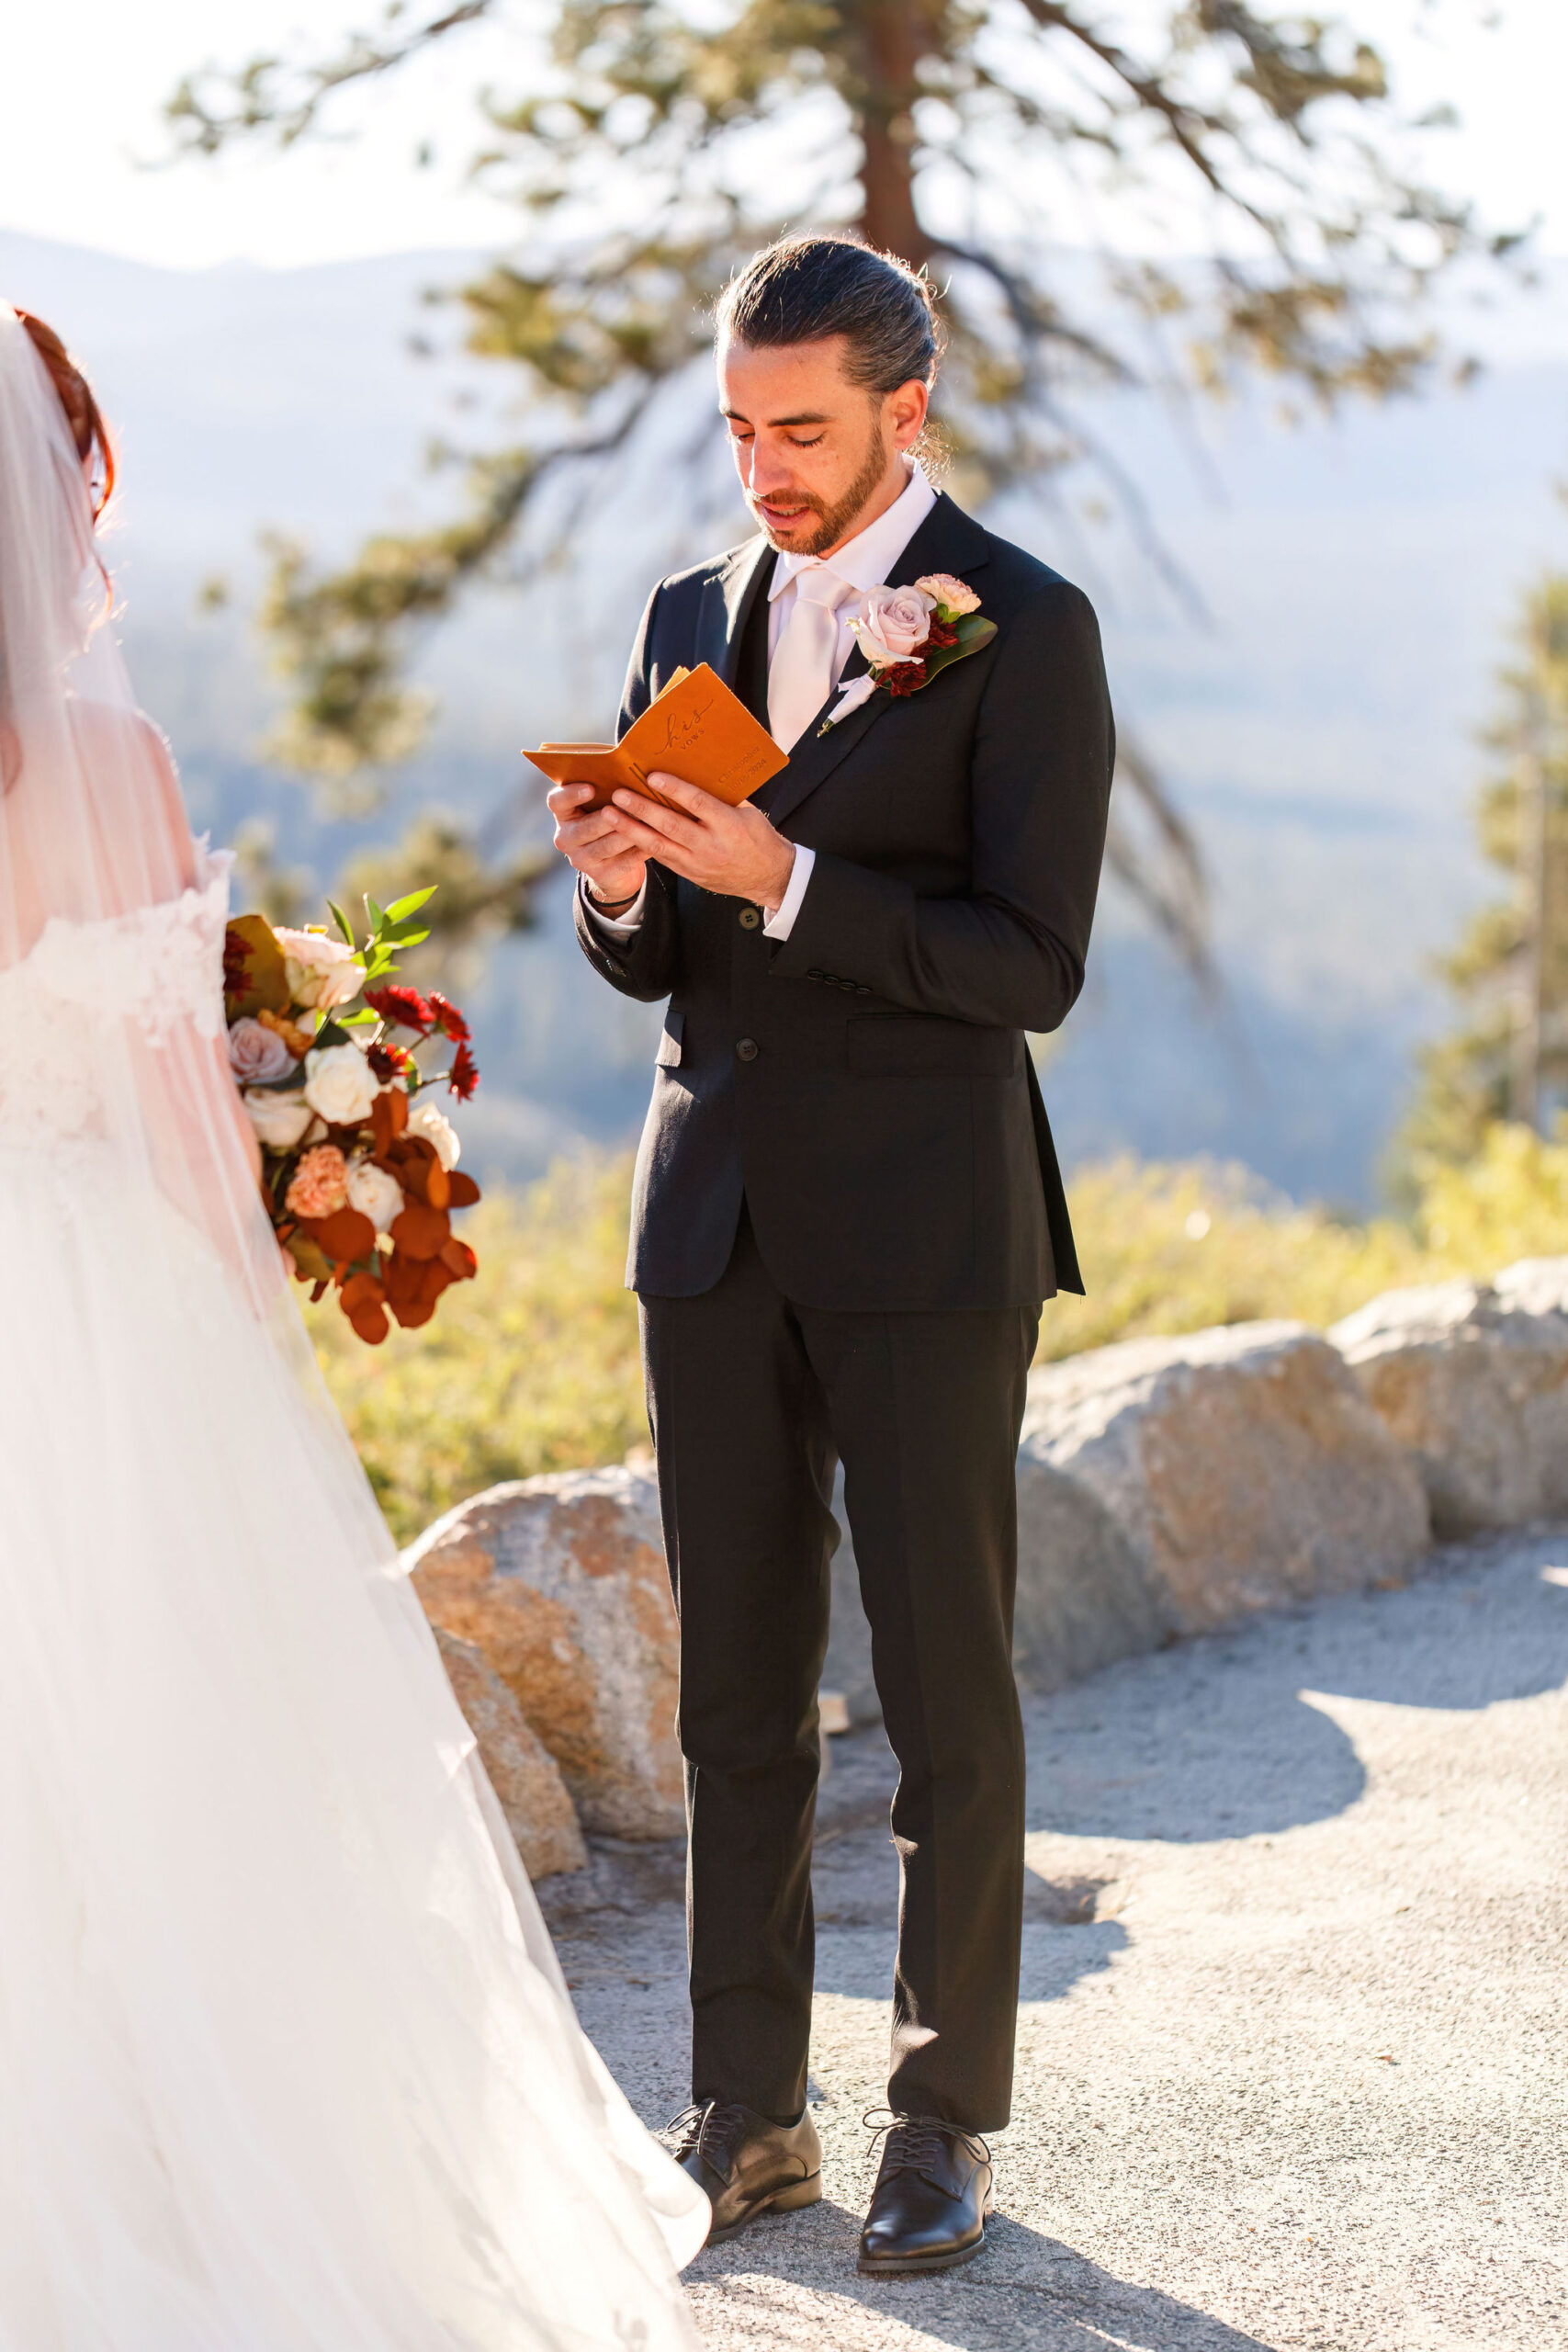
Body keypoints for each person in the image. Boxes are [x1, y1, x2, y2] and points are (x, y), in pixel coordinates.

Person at [0, 301, 708, 2347]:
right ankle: (178, 2196)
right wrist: (295, 1214)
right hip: (99, 1313)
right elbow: (160, 1116)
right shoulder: (106, 759)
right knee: (161, 1757)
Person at [550, 233, 1113, 2278]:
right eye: (737, 427)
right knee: (734, 1693)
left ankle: (942, 2118)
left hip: (928, 1223)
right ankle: (744, 2110)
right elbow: (655, 965)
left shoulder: (1021, 626)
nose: (762, 466)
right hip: (706, 1218)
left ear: (906, 410)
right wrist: (621, 886)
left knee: (945, 1683)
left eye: (800, 429)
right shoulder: (683, 612)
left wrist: (784, 873)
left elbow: (1026, 964)